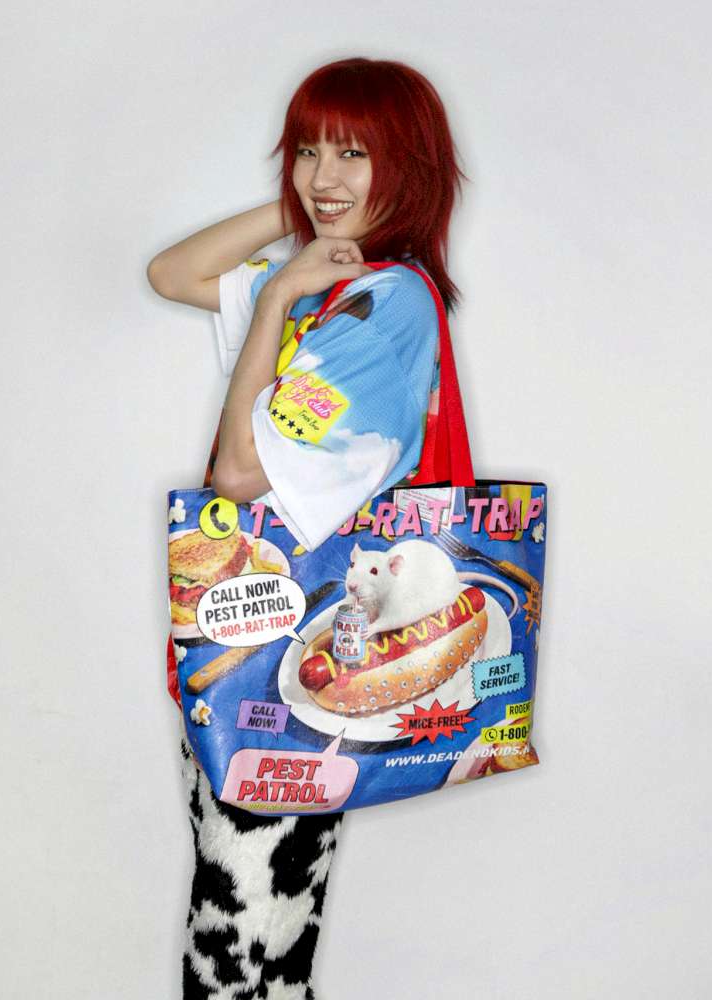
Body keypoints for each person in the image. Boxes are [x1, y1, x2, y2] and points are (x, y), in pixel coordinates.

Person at [148, 56, 465, 999]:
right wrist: (305, 235)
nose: (325, 177)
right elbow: (174, 272)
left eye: (355, 154)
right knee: (265, 934)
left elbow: (238, 475)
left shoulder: (380, 304)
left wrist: (278, 298)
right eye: (307, 152)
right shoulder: (340, 283)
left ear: (411, 165)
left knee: (241, 939)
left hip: (287, 661)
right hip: (272, 650)